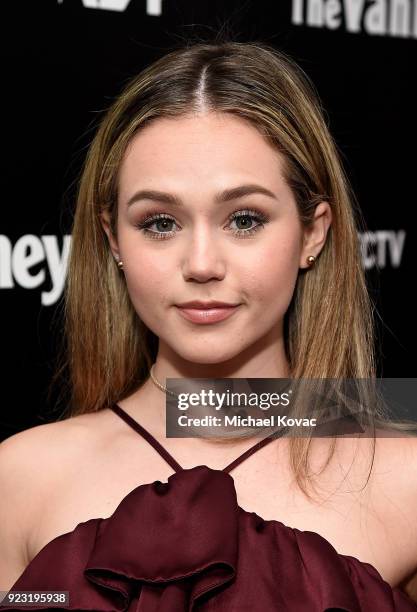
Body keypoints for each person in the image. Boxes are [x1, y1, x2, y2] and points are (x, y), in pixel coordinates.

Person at [1, 38, 416, 610]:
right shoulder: (19, 479)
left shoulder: (406, 480)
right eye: (160, 222)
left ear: (313, 233)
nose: (201, 265)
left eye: (244, 219)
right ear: (112, 238)